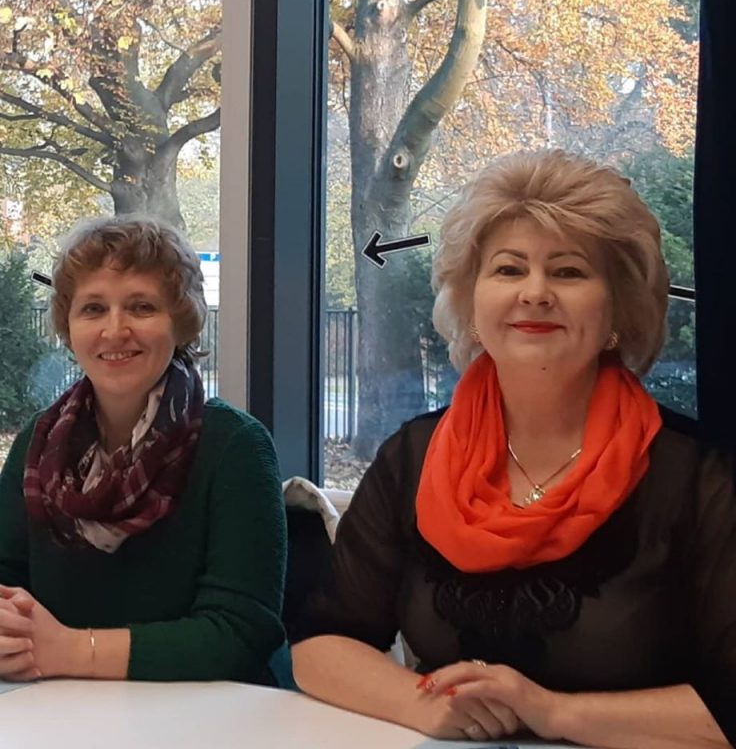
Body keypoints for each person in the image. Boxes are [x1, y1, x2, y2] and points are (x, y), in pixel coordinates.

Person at [290, 150, 736, 748]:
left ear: (618, 310)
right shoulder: (414, 456)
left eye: (569, 272)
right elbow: (321, 643)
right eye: (508, 269)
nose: (535, 292)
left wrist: (550, 712)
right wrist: (420, 705)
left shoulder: (699, 476)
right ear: (472, 305)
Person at [0, 216, 288, 684]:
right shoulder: (40, 439)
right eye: (93, 309)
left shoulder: (235, 446)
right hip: (53, 706)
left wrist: (71, 651)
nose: (115, 330)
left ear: (181, 322)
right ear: (69, 327)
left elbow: (240, 634)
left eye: (141, 307)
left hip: (206, 712)